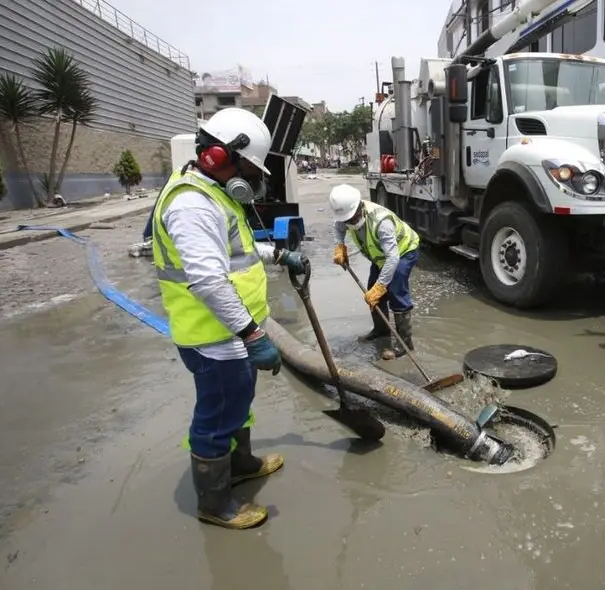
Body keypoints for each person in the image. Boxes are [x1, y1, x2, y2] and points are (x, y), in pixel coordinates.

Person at [150, 107, 309, 530]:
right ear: (219, 158)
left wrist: (280, 254)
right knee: (217, 414)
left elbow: (234, 251)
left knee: (239, 403)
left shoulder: (213, 194)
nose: (254, 178)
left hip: (231, 333)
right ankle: (216, 503)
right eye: (250, 167)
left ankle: (241, 464)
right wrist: (254, 335)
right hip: (214, 337)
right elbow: (207, 281)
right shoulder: (192, 205)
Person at [328, 184, 420, 359]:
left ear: (359, 208)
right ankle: (381, 331)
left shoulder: (381, 221)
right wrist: (340, 246)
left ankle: (405, 345)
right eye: (347, 220)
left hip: (403, 252)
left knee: (395, 292)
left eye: (352, 219)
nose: (349, 223)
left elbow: (393, 258)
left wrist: (382, 285)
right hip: (381, 257)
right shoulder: (346, 216)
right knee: (372, 290)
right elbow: (338, 227)